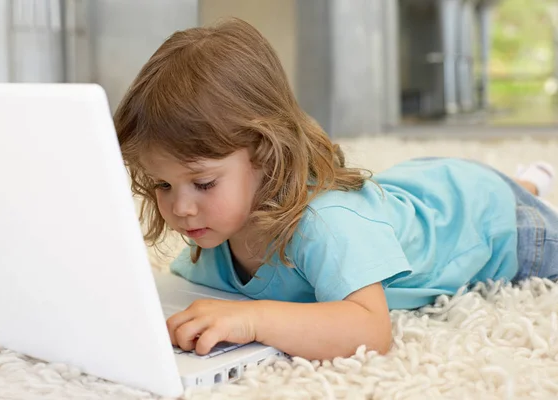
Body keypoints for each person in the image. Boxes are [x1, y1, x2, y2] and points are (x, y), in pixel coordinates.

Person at [113, 18, 558, 360]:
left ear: (267, 154)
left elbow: (370, 331)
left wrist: (252, 318)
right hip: (412, 191)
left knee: (525, 212)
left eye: (203, 183)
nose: (181, 207)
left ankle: (527, 186)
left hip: (490, 216)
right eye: (162, 184)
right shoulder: (214, 228)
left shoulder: (326, 223)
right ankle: (532, 178)